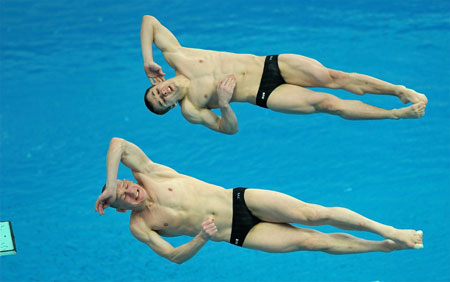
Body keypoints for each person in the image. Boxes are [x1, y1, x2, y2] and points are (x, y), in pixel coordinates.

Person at [94, 138, 424, 264]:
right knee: (311, 242)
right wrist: (201, 238)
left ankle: (389, 229)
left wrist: (110, 185)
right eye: (122, 197)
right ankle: (383, 247)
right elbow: (174, 257)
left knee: (313, 214)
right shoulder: (139, 225)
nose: (129, 192)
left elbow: (118, 144)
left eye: (124, 186)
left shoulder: (152, 174)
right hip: (237, 234)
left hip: (243, 202)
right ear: (120, 209)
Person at [141, 15, 427, 135]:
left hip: (270, 65)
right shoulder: (191, 108)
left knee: (336, 77)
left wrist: (147, 61)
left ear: (157, 82)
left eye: (156, 92)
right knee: (329, 105)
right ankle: (395, 114)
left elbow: (149, 21)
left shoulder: (177, 56)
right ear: (170, 107)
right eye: (162, 102)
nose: (163, 95)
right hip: (264, 94)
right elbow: (228, 129)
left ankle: (398, 91)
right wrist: (225, 103)